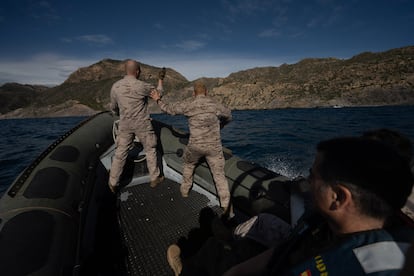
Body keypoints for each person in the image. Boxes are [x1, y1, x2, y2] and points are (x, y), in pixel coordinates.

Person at [167, 137, 414, 275]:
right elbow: (285, 248)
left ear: (338, 197)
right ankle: (229, 241)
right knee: (233, 239)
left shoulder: (378, 267)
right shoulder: (329, 219)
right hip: (283, 259)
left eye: (313, 176)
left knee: (213, 254)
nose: (306, 181)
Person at [150, 81, 232, 212]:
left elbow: (169, 109)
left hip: (195, 147)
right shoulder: (215, 104)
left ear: (194, 94)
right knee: (219, 176)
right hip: (214, 148)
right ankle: (226, 206)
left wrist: (158, 99)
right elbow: (228, 115)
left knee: (188, 165)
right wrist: (221, 125)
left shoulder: (189, 104)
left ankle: (185, 190)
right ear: (206, 93)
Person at [108, 59, 166, 193]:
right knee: (150, 149)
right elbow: (159, 94)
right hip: (142, 124)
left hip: (125, 124)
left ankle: (113, 182)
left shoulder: (115, 87)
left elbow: (113, 108)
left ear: (125, 71)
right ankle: (154, 178)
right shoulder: (142, 86)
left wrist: (120, 113)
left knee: (120, 152)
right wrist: (160, 80)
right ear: (137, 71)